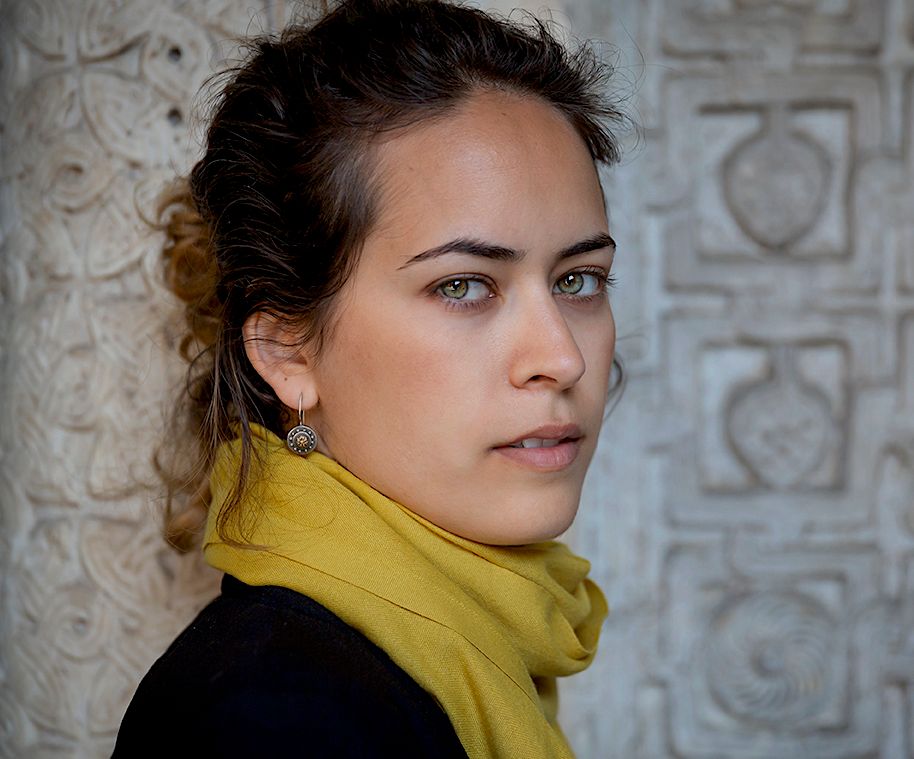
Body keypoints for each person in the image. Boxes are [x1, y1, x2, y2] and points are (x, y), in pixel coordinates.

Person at [114, 0, 624, 755]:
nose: (563, 358)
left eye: (579, 279)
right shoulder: (271, 718)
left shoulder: (463, 650)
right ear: (288, 351)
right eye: (463, 285)